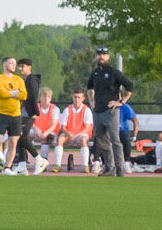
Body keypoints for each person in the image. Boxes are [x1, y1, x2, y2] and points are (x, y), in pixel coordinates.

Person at [86, 46, 134, 176]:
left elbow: (130, 86)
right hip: (98, 111)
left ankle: (119, 168)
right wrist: (91, 102)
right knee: (102, 140)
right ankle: (109, 167)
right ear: (96, 56)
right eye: (99, 54)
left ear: (108, 57)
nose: (101, 57)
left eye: (104, 54)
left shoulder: (114, 72)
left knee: (115, 140)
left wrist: (121, 102)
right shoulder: (95, 73)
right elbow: (89, 88)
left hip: (111, 111)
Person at [14, 58, 49, 175]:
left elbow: (32, 96)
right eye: (19, 66)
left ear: (30, 67)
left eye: (22, 66)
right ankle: (22, 165)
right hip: (23, 113)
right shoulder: (25, 80)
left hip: (28, 113)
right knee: (19, 137)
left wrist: (27, 106)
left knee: (22, 137)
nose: (20, 69)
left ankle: (39, 160)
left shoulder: (31, 79)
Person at [53, 88, 93, 173]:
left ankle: (85, 165)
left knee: (83, 140)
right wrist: (69, 134)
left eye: (79, 97)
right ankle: (57, 165)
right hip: (69, 133)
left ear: (83, 98)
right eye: (75, 97)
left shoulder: (86, 110)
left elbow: (87, 128)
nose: (77, 99)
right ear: (72, 97)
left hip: (81, 134)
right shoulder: (67, 109)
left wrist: (75, 135)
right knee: (60, 139)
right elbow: (63, 127)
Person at [29, 87, 61, 161]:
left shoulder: (55, 109)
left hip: (50, 132)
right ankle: (22, 159)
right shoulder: (35, 107)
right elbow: (30, 121)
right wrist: (36, 128)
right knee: (23, 135)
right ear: (40, 97)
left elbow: (54, 125)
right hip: (37, 131)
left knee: (46, 138)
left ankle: (44, 160)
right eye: (44, 96)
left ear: (51, 98)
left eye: (48, 96)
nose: (46, 98)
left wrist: (45, 133)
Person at [118, 100, 139, 174]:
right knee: (100, 138)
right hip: (110, 131)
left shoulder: (125, 106)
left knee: (126, 137)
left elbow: (135, 121)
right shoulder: (106, 105)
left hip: (122, 131)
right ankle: (103, 163)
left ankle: (127, 162)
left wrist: (134, 136)